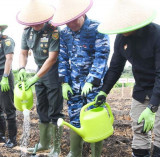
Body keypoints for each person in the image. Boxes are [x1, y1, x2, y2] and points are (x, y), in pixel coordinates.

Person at [94, 0, 160, 156]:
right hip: (141, 90)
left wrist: (152, 107)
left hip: (159, 88)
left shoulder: (156, 35)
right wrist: (104, 91)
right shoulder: (121, 38)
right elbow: (116, 68)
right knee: (139, 129)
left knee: (159, 132)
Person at [51, 0, 110, 156]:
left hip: (94, 86)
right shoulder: (64, 34)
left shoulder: (97, 28)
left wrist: (91, 81)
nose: (70, 24)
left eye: (73, 20)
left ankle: (95, 154)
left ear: (82, 14)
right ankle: (75, 152)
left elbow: (101, 56)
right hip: (74, 85)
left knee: (95, 118)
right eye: (67, 22)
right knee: (75, 118)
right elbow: (63, 59)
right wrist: (64, 82)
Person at [16, 0, 64, 156]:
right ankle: (44, 143)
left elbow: (52, 58)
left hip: (53, 72)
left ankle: (56, 147)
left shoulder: (53, 30)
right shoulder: (26, 32)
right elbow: (23, 53)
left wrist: (35, 77)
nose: (35, 25)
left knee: (54, 110)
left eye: (38, 22)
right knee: (41, 107)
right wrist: (22, 68)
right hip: (39, 71)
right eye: (32, 22)